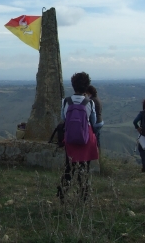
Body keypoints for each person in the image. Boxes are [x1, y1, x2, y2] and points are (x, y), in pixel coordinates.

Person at [57, 72, 99, 202]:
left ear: (73, 85)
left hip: (70, 139)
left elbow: (63, 118)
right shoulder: (90, 103)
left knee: (69, 167)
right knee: (84, 167)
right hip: (85, 139)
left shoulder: (65, 102)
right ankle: (84, 196)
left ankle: (63, 194)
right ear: (86, 86)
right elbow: (93, 121)